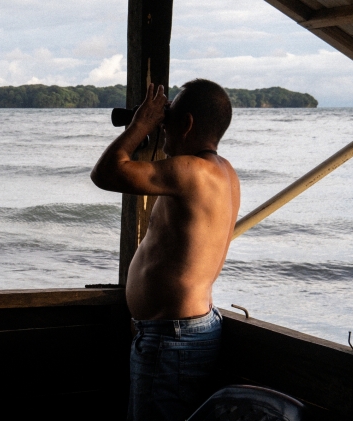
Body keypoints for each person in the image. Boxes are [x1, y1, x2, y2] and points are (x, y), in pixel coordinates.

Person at [91, 79, 240, 421]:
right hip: (181, 331)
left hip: (173, 336)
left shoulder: (191, 172)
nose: (164, 125)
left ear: (186, 124)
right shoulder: (223, 172)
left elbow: (106, 173)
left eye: (168, 117)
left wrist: (140, 125)